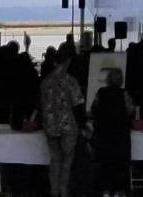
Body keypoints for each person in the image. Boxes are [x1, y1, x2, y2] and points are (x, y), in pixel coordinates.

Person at [39, 54, 83, 197]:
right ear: (67, 61)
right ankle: (64, 190)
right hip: (68, 126)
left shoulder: (45, 81)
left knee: (55, 159)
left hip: (50, 126)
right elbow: (78, 105)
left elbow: (41, 104)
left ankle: (54, 190)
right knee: (67, 160)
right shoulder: (70, 81)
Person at [91, 67, 135, 197]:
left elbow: (94, 109)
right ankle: (119, 192)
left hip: (103, 135)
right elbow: (130, 110)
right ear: (121, 80)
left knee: (105, 165)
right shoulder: (124, 93)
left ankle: (105, 191)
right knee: (120, 165)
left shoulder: (101, 92)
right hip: (120, 136)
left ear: (108, 79)